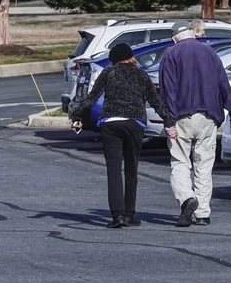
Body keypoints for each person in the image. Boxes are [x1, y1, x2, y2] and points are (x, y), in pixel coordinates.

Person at [70, 43, 175, 228]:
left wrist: (77, 115)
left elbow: (92, 98)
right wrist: (168, 121)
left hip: (110, 123)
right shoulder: (141, 75)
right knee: (131, 169)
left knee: (114, 170)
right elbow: (155, 101)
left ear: (114, 59)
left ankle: (117, 216)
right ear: (130, 57)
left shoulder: (108, 73)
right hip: (135, 123)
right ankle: (130, 214)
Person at [159, 21, 231, 227]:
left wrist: (168, 120)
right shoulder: (211, 54)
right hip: (208, 116)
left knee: (180, 162)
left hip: (181, 116)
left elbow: (167, 91)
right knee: (204, 165)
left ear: (174, 38)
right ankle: (203, 213)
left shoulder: (170, 54)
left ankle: (187, 198)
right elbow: (224, 85)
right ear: (193, 34)